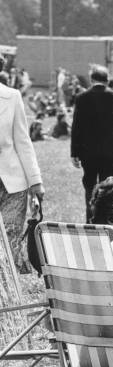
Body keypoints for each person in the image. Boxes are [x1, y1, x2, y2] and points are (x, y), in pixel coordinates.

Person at [71, 64, 113, 222]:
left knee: (90, 186)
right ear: (107, 80)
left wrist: (74, 153)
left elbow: (76, 127)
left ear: (92, 80)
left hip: (88, 152)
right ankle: (107, 220)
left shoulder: (82, 98)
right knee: (110, 189)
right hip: (111, 152)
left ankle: (90, 220)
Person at [0, 54, 45, 268]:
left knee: (10, 237)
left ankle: (9, 295)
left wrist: (35, 181)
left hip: (12, 182)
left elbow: (22, 140)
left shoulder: (12, 97)